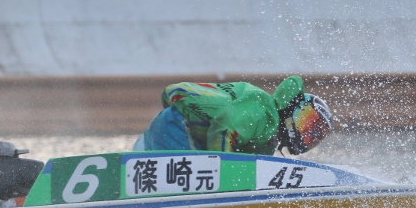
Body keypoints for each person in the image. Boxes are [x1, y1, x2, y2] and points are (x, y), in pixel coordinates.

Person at [134, 75, 332, 156]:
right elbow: (223, 129)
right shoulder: (264, 110)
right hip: (178, 128)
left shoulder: (268, 138)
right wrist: (222, 170)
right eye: (307, 120)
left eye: (314, 134)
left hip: (167, 129)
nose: (307, 133)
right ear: (293, 109)